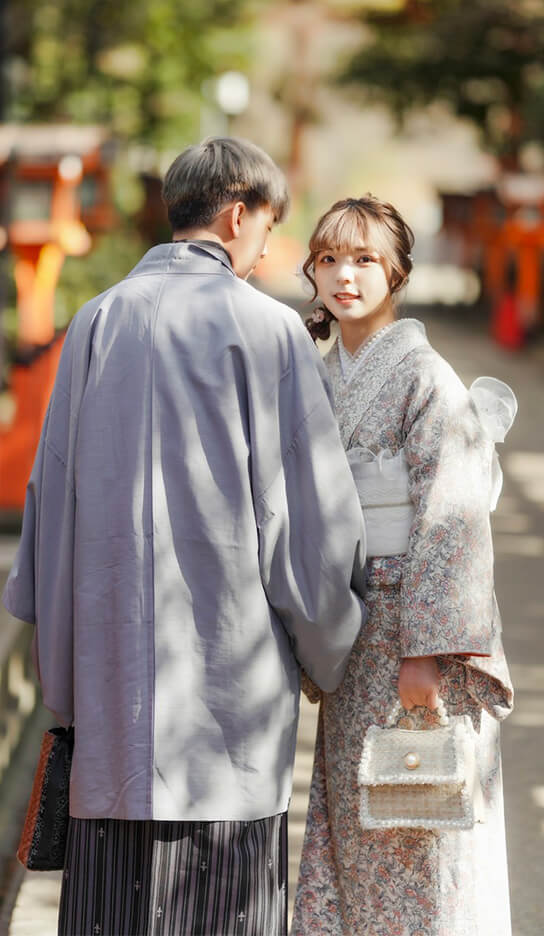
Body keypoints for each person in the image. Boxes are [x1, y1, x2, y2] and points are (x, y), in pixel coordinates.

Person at [3, 137, 367, 936]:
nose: (269, 249)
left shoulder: (95, 322)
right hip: (226, 706)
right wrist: (328, 652)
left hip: (109, 701)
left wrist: (62, 679)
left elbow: (47, 508)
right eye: (268, 229)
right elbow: (307, 524)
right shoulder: (264, 330)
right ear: (238, 216)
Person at [291, 194, 516, 936]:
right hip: (352, 627)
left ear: (395, 273)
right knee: (356, 819)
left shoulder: (426, 378)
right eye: (328, 259)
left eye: (363, 260)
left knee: (422, 823)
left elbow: (452, 522)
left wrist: (425, 652)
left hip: (415, 633)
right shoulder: (317, 374)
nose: (343, 276)